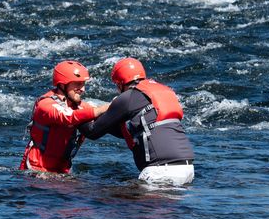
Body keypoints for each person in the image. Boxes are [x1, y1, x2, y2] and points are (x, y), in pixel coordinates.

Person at [78, 57, 195, 186]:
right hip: (187, 169)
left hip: (161, 171)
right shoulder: (164, 91)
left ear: (120, 83)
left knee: (109, 200)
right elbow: (131, 133)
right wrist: (105, 123)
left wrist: (74, 113)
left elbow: (92, 132)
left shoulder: (128, 97)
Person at [20, 60, 107, 174]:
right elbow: (67, 116)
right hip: (36, 171)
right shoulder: (45, 105)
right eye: (78, 84)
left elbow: (105, 117)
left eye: (83, 84)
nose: (83, 89)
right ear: (62, 84)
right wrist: (102, 109)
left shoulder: (81, 106)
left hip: (63, 171)